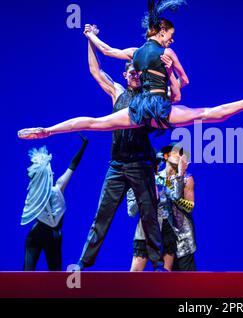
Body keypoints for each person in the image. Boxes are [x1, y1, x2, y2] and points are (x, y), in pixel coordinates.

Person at [17, 0, 243, 139]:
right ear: (162, 31)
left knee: (95, 123)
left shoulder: (136, 52)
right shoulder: (167, 52)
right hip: (159, 107)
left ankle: (49, 130)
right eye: (170, 35)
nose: (172, 40)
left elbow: (107, 51)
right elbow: (185, 83)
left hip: (141, 109)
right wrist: (173, 71)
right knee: (210, 114)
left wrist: (90, 36)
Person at [76, 29, 172, 270]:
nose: (135, 76)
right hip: (117, 165)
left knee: (149, 214)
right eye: (131, 72)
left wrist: (169, 71)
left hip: (141, 163)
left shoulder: (147, 97)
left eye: (137, 73)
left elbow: (170, 95)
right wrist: (90, 39)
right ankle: (83, 263)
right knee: (102, 214)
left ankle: (158, 265)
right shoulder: (117, 92)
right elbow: (95, 71)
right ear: (125, 74)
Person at [22, 135, 88, 271]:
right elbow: (72, 166)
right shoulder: (51, 189)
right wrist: (84, 146)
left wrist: (83, 146)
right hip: (46, 235)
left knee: (49, 272)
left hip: (45, 235)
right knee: (42, 273)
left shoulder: (53, 189)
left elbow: (72, 166)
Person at [128, 144, 196, 271]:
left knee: (176, 277)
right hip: (156, 229)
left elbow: (190, 206)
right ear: (166, 156)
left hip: (179, 233)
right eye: (177, 153)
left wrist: (176, 196)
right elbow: (134, 209)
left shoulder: (186, 178)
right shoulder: (156, 177)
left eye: (183, 155)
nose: (180, 156)